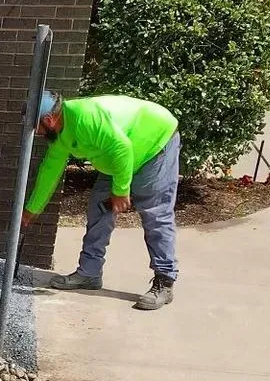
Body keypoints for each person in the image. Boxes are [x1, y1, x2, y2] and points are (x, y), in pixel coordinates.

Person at [21, 91, 181, 312]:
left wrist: (121, 190)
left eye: (35, 129)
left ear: (48, 120)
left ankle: (164, 282)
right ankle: (89, 273)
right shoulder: (61, 132)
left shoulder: (85, 117)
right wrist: (32, 209)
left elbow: (122, 148)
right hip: (116, 157)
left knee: (155, 213)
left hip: (152, 144)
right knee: (99, 208)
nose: (36, 134)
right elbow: (50, 169)